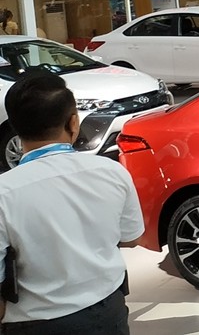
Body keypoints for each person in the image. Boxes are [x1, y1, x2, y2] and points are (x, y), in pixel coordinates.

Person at [0, 71, 144, 333]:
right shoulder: (111, 171)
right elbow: (132, 237)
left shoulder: (5, 191)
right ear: (73, 122)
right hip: (107, 312)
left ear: (15, 126)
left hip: (35, 323)